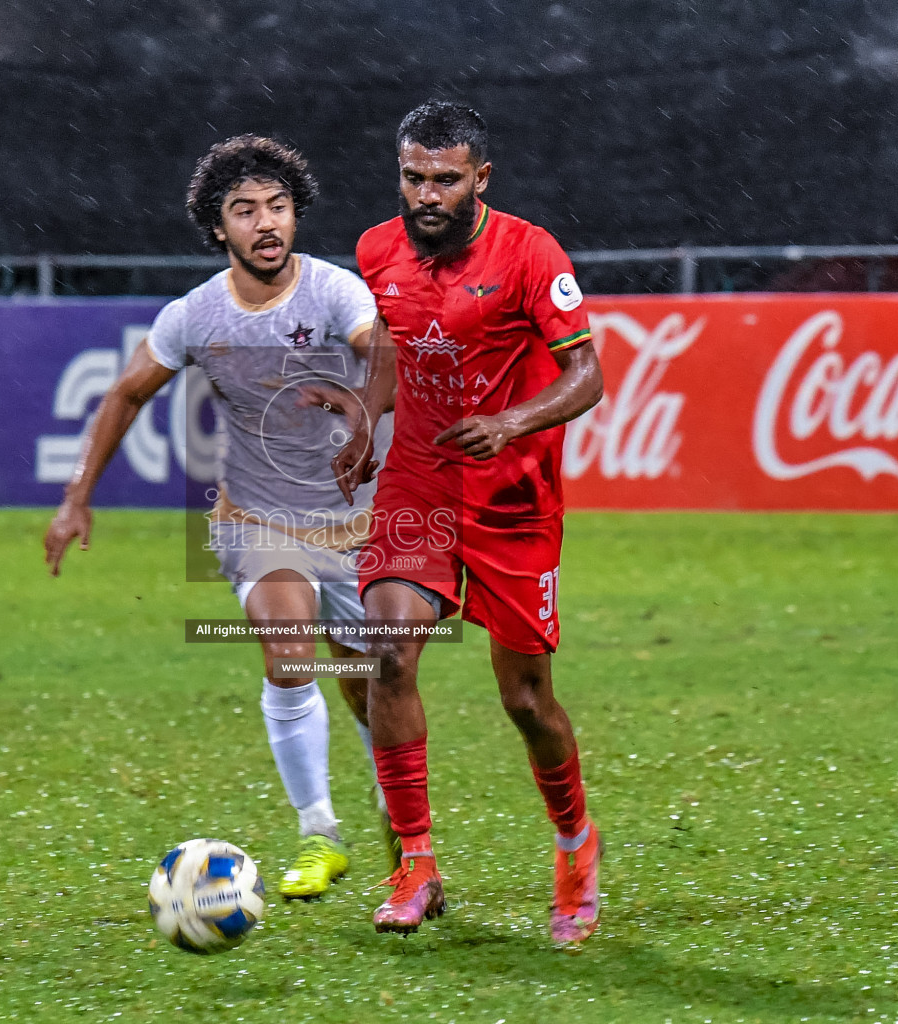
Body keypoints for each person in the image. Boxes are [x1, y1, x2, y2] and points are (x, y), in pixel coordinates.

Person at [44, 135, 396, 899]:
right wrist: (76, 497)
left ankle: (394, 802)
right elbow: (127, 393)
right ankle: (320, 834)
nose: (265, 223)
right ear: (218, 227)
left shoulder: (334, 292)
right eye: (245, 211)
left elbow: (383, 354)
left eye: (278, 206)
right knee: (288, 650)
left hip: (349, 521)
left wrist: (368, 412)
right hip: (254, 520)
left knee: (371, 676)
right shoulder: (197, 315)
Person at [336, 101, 606, 944]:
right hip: (419, 483)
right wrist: (366, 419)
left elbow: (588, 375)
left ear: (479, 179)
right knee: (388, 654)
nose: (427, 194)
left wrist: (512, 423)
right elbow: (391, 341)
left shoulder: (530, 254)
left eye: (445, 179)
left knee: (525, 700)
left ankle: (574, 841)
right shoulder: (377, 249)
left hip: (512, 498)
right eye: (413, 176)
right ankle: (414, 861)